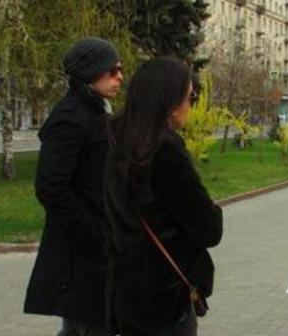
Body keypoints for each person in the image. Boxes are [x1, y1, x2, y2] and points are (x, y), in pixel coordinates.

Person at [104, 57, 223, 336]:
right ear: (170, 105)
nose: (191, 106)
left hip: (124, 291)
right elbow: (209, 230)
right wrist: (214, 210)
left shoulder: (113, 141)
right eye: (189, 97)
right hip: (165, 299)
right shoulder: (165, 153)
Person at [23, 37, 123, 336]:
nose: (120, 76)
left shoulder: (96, 113)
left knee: (87, 325)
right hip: (82, 254)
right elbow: (51, 187)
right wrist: (93, 236)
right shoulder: (70, 119)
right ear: (91, 72)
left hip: (98, 248)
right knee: (91, 324)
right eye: (112, 70)